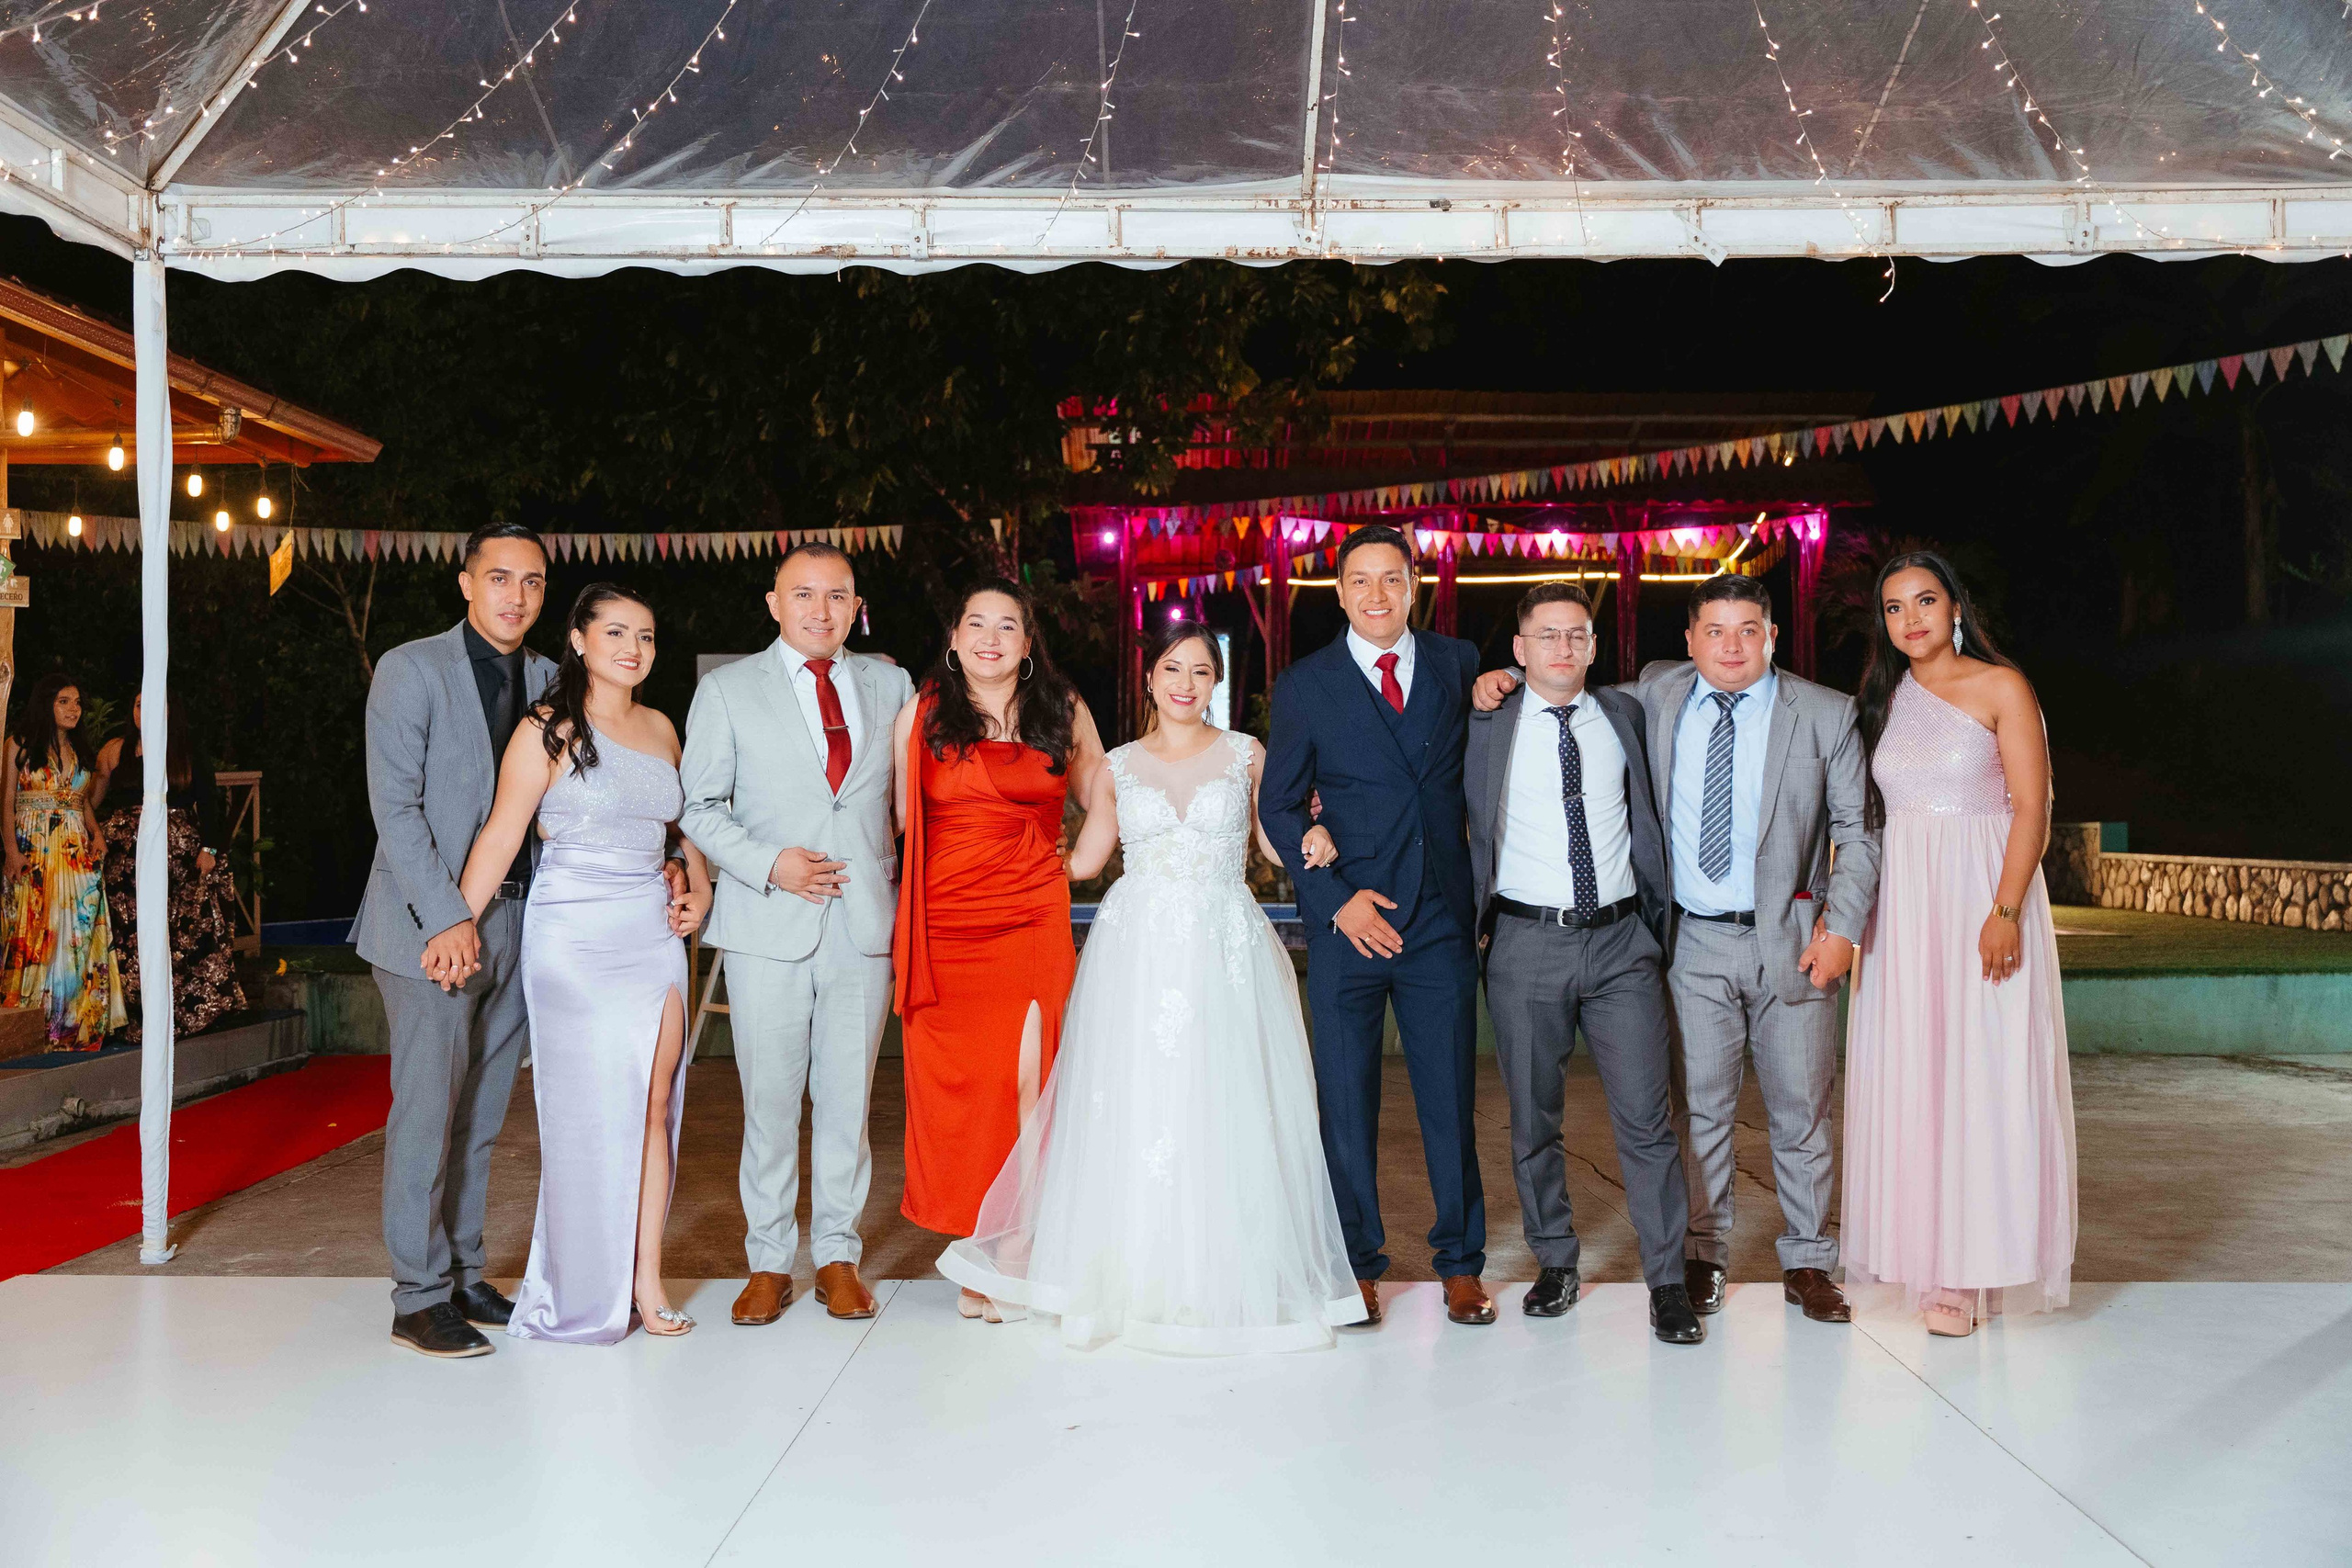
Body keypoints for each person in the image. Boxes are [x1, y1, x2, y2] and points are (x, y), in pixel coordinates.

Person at [940, 621, 1365, 1352]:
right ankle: (1131, 1272)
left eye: (1202, 671)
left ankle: (1218, 1276)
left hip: (1222, 943)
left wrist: (1315, 841)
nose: (1186, 683)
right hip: (1135, 949)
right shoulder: (1118, 766)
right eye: (1174, 668)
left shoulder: (1246, 755)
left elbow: (1271, 838)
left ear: (1215, 684)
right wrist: (986, 854)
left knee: (1220, 1098)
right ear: (1149, 678)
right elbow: (1085, 859)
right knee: (1135, 1100)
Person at [1475, 573, 1879, 1325]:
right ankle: (1701, 1257)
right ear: (1688, 641)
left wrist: (1844, 927)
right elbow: (1552, 682)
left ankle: (1809, 1262)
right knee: (1697, 1115)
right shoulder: (1653, 696)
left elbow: (1858, 830)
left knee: (1802, 1111)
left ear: (1772, 635)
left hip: (1790, 941)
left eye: (1748, 629)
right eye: (1715, 631)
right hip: (1686, 940)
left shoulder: (1823, 713)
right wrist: (1498, 679)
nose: (1732, 645)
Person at [355, 522, 680, 1359]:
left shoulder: (551, 682)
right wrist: (448, 917)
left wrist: (674, 866)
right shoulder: (410, 668)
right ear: (467, 583)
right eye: (499, 578)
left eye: (532, 582)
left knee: (484, 1112)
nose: (516, 595)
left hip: (526, 922)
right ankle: (416, 1295)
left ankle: (464, 1272)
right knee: (428, 1110)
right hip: (432, 923)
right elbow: (395, 810)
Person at [457, 583, 713, 1344]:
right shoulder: (548, 728)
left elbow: (681, 829)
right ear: (578, 639)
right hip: (570, 933)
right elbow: (503, 834)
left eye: (646, 635)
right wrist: (454, 928)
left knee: (656, 1102)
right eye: (616, 633)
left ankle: (646, 1282)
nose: (633, 649)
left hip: (651, 929)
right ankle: (576, 1288)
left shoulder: (663, 727)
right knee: (587, 1115)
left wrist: (696, 882)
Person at [1259, 525, 1493, 1329]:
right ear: (1340, 590)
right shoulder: (1306, 683)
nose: (1376, 596)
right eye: (1360, 581)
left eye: (1391, 579)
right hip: (1347, 925)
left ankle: (1461, 1263)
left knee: (1448, 1098)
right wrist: (1333, 899)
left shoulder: (1459, 663)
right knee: (1347, 1103)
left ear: (1414, 583)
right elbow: (1280, 804)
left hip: (1436, 922)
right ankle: (1356, 1264)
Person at [1841, 552, 2076, 1337]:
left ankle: (1972, 1274)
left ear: (1955, 607)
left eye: (1926, 600)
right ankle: (1929, 1258)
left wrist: (2005, 909)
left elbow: (2031, 811)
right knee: (1918, 1074)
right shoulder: (1883, 698)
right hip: (1904, 911)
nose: (1911, 618)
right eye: (1896, 607)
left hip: (1981, 894)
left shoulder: (2001, 687)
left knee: (1983, 1074)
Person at [680, 543, 913, 1328]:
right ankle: (768, 1261)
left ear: (856, 605)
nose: (820, 609)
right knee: (770, 1102)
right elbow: (699, 806)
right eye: (803, 594)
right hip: (766, 924)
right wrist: (768, 863)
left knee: (848, 1102)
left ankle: (838, 1257)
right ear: (773, 603)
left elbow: (914, 800)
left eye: (837, 595)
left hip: (864, 924)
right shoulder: (727, 690)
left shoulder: (891, 683)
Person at [1464, 583, 1703, 1346]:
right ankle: (1557, 1261)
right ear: (1520, 649)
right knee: (1534, 1119)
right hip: (1525, 943)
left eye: (1577, 635)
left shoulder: (1626, 713)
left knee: (1648, 1119)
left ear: (1595, 647)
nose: (1563, 648)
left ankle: (1668, 1281)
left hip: (1622, 944)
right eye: (1547, 636)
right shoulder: (1485, 720)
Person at [891, 578, 1105, 1322]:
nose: (989, 636)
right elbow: (899, 817)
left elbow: (1105, 794)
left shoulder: (1062, 708)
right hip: (949, 923)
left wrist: (1077, 864)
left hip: (1032, 917)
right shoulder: (921, 713)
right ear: (953, 639)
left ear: (1026, 641)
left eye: (1006, 625)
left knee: (1031, 1081)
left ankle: (1013, 1252)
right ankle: (979, 1249)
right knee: (971, 1093)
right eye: (974, 622)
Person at [92, 694, 246, 1042]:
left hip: (177, 856)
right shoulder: (116, 749)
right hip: (124, 863)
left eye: (152, 704)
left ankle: (182, 1012)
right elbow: (91, 799)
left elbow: (209, 803)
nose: (141, 712)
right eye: (136, 705)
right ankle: (134, 1016)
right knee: (128, 934)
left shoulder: (186, 750)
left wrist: (209, 849)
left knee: (178, 931)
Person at [1, 674, 125, 1048]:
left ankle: (71, 1023)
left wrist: (97, 834)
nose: (74, 709)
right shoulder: (19, 745)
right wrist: (10, 850)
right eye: (64, 701)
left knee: (76, 933)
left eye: (77, 703)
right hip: (35, 847)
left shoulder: (78, 748)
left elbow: (80, 799)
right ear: (46, 704)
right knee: (38, 929)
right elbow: (5, 800)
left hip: (75, 852)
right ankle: (31, 1026)